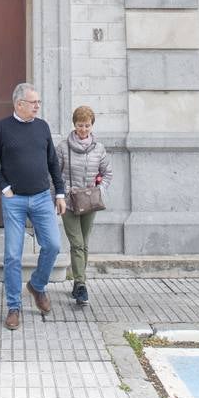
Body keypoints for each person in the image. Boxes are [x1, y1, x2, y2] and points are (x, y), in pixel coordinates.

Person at [0, 82, 66, 330]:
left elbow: (53, 162)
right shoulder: (2, 128)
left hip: (42, 197)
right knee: (12, 255)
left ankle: (37, 286)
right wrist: (5, 188)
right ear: (19, 104)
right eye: (34, 102)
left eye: (38, 102)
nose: (38, 106)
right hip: (15, 201)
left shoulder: (42, 127)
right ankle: (13, 307)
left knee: (52, 245)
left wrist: (60, 193)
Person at [56, 105, 112, 306]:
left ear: (92, 125)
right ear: (74, 125)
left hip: (90, 201)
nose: (83, 129)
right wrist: (59, 195)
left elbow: (108, 173)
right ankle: (81, 284)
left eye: (87, 126)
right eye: (80, 125)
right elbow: (53, 174)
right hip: (69, 201)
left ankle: (78, 282)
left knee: (84, 243)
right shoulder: (63, 147)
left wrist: (100, 190)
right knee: (77, 243)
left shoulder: (99, 148)